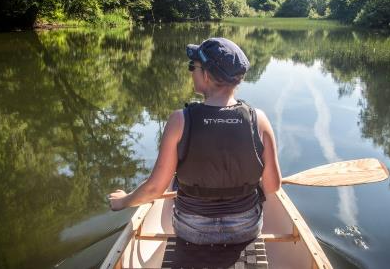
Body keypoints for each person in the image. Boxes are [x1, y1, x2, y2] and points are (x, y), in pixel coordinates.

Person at [108, 37, 281, 245]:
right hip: (246, 227)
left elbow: (155, 189)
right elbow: (272, 186)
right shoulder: (259, 119)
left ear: (206, 75)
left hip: (193, 229)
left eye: (194, 66)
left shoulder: (179, 120)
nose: (191, 72)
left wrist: (123, 202)